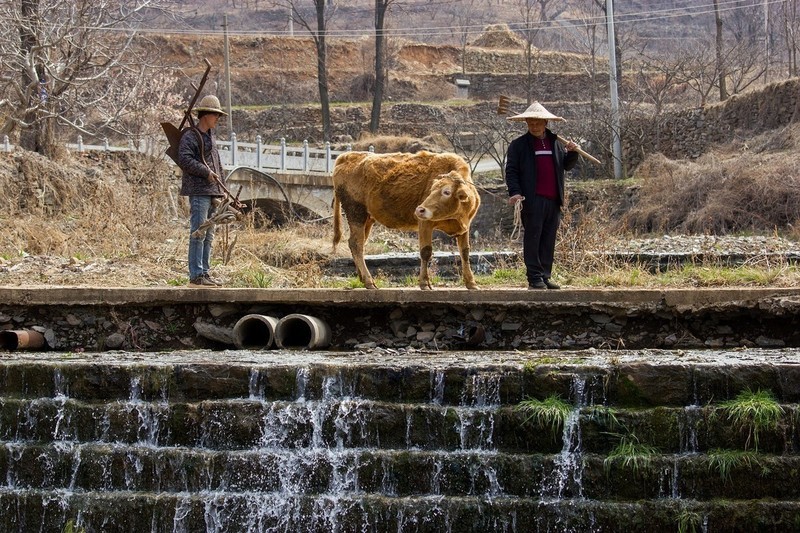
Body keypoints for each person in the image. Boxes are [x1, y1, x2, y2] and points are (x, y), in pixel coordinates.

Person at [505, 101, 580, 290]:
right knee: (533, 238)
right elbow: (511, 171)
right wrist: (515, 192)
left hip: (553, 199)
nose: (534, 126)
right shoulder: (518, 145)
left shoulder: (555, 142)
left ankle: (545, 276)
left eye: (538, 123)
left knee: (548, 238)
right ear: (527, 124)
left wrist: (572, 153)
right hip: (531, 199)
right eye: (530, 123)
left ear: (546, 123)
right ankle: (534, 278)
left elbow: (565, 166)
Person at [177, 94, 227, 287]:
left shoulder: (210, 137)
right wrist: (206, 173)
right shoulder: (190, 136)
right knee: (198, 233)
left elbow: (217, 164)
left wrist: (221, 189)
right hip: (198, 190)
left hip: (211, 191)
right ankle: (196, 275)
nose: (217, 119)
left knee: (208, 234)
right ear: (206, 115)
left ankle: (204, 272)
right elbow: (185, 159)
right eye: (216, 116)